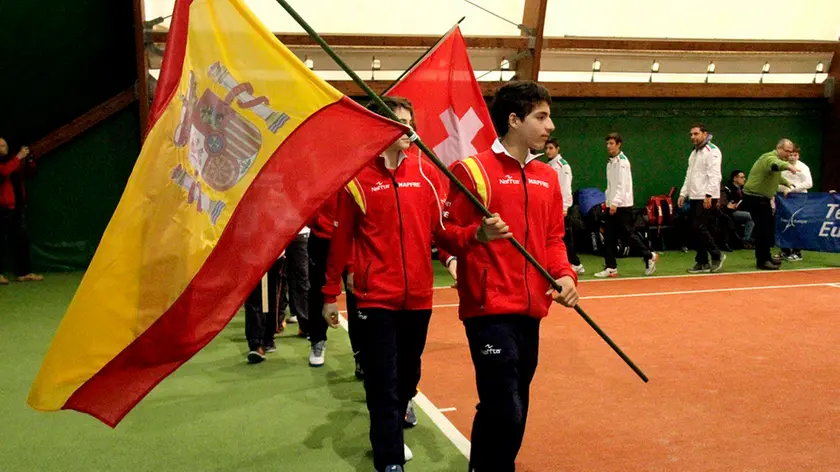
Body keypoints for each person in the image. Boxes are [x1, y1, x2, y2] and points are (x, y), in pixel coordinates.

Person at [439, 81, 579, 472]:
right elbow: (445, 234)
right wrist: (476, 235)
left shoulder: (547, 178)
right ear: (514, 120)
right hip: (487, 309)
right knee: (505, 406)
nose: (550, 125)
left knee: (516, 401)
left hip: (531, 308)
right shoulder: (472, 171)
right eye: (542, 116)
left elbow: (553, 239)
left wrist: (566, 277)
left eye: (549, 116)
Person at [321, 96, 466, 472]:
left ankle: (404, 402)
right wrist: (329, 295)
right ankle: (389, 459)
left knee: (408, 374)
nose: (405, 129)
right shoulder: (356, 180)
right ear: (380, 128)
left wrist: (459, 251)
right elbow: (340, 242)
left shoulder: (427, 174)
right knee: (382, 381)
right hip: (375, 299)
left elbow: (440, 231)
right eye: (396, 122)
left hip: (419, 296)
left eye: (408, 122)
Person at [594, 132, 657, 278]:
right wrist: (608, 202)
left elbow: (622, 186)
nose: (608, 146)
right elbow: (611, 186)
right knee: (608, 236)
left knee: (627, 235)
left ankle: (649, 255)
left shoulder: (622, 162)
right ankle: (611, 267)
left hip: (623, 206)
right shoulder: (610, 163)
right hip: (612, 206)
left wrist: (615, 203)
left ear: (618, 144)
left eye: (611, 143)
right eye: (607, 143)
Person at [741, 139, 798, 270]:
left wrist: (787, 183)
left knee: (767, 229)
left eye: (791, 152)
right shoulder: (769, 158)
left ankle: (766, 256)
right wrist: (788, 166)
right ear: (779, 148)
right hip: (755, 197)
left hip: (762, 198)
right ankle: (762, 261)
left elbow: (776, 174)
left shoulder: (775, 162)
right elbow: (775, 165)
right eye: (787, 152)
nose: (789, 155)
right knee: (763, 229)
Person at [677, 124, 725, 274]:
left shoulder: (712, 151)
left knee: (700, 228)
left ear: (705, 134)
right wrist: (683, 193)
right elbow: (689, 175)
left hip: (707, 197)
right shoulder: (694, 153)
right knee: (695, 229)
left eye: (696, 134)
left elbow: (715, 175)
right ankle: (702, 261)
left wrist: (709, 195)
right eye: (691, 134)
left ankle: (717, 255)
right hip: (695, 196)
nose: (693, 137)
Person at [0, 138, 43, 285]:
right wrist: (19, 157)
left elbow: (28, 173)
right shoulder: (9, 162)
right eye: (0, 145)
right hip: (3, 208)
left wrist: (30, 161)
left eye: (4, 144)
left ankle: (24, 273)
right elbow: (4, 171)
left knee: (21, 239)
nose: (3, 147)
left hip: (17, 207)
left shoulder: (13, 160)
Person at [546, 137, 584, 275]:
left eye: (551, 148)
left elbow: (566, 188)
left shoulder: (563, 166)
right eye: (546, 148)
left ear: (557, 149)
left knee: (565, 238)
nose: (548, 151)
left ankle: (576, 263)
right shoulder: (549, 166)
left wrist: (565, 207)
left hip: (562, 209)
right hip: (551, 209)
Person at [779, 144, 812, 261]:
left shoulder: (803, 167)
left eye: (795, 155)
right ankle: (785, 251)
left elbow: (808, 183)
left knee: (796, 224)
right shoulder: (782, 166)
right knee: (783, 224)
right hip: (783, 199)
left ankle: (797, 252)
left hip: (799, 199)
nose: (792, 157)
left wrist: (792, 189)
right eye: (791, 154)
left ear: (798, 156)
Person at [722, 170, 754, 248]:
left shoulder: (743, 189)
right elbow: (727, 202)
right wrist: (729, 205)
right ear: (735, 178)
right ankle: (745, 240)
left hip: (742, 210)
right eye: (742, 177)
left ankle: (747, 239)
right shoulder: (728, 189)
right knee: (750, 216)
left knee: (754, 217)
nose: (744, 179)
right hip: (732, 212)